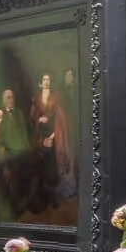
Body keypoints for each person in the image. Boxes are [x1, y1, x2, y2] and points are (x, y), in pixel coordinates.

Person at [33, 71, 76, 206]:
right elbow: (31, 119)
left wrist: (52, 136)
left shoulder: (56, 97)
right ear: (40, 83)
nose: (47, 81)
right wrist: (39, 123)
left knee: (55, 167)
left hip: (55, 137)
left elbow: (61, 120)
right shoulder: (36, 99)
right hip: (41, 137)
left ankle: (57, 199)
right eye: (44, 79)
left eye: (49, 79)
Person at [0, 87, 31, 222]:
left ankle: (21, 211)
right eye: (8, 98)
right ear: (3, 101)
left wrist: (27, 150)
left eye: (12, 97)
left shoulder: (18, 114)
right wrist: (3, 162)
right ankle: (13, 215)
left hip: (21, 155)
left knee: (23, 183)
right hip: (8, 156)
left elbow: (24, 135)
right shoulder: (0, 117)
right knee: (11, 184)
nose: (11, 100)